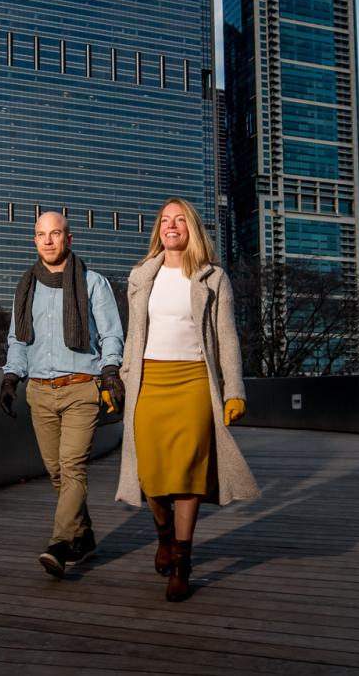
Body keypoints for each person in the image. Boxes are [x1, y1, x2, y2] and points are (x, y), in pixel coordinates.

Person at [115, 197, 258, 602]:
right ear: (158, 229)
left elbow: (227, 336)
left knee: (189, 474)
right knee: (152, 477)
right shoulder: (141, 274)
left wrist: (234, 391)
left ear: (192, 228)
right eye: (165, 220)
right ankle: (163, 535)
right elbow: (134, 336)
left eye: (179, 220)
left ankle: (182, 561)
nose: (171, 226)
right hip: (149, 381)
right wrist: (124, 380)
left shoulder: (213, 277)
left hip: (194, 381)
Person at [0, 210, 126, 577]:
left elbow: (111, 334)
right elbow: (17, 340)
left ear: (69, 239)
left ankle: (59, 543)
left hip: (81, 388)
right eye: (42, 234)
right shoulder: (26, 287)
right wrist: (10, 377)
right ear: (35, 240)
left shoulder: (92, 283)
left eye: (56, 233)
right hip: (38, 391)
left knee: (72, 468)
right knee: (56, 472)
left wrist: (110, 369)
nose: (49, 240)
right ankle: (83, 534)